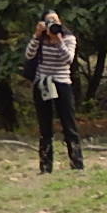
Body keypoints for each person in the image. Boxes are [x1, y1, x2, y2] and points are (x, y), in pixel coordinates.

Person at [23, 9, 83, 173]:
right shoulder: (40, 39)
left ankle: (77, 164)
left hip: (62, 82)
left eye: (55, 21)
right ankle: (45, 166)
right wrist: (37, 35)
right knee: (45, 126)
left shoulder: (68, 38)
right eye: (49, 21)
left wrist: (58, 41)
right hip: (42, 83)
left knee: (68, 124)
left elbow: (68, 60)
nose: (53, 25)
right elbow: (29, 55)